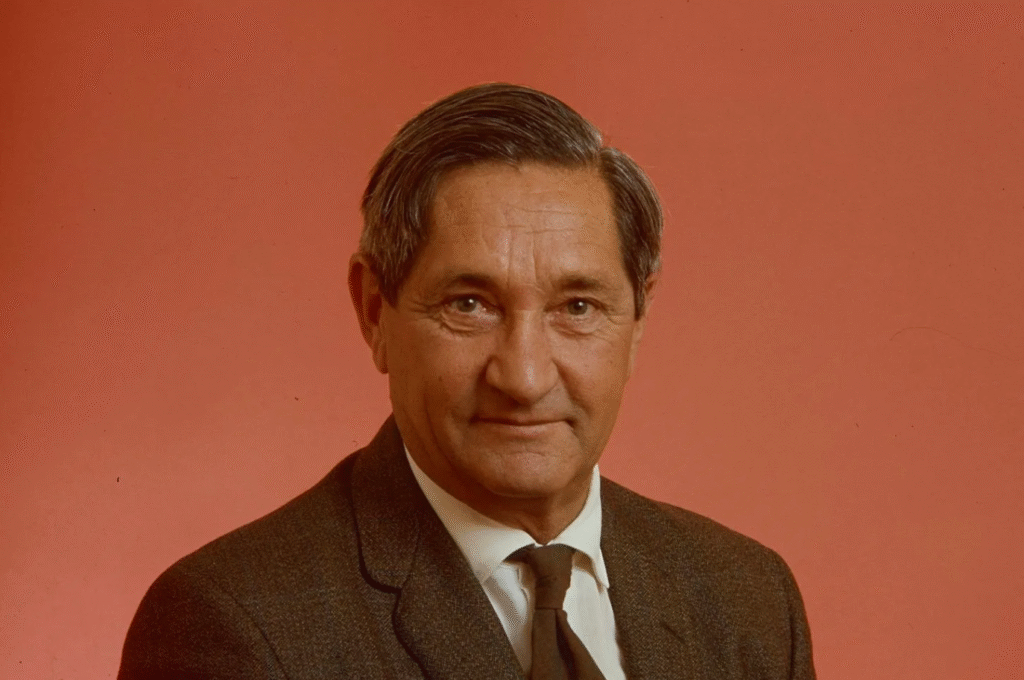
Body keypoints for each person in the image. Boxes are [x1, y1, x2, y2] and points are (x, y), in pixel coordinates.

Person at [119, 83, 816, 679]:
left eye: (578, 307)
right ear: (374, 311)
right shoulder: (234, 624)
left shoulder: (748, 599)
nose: (525, 377)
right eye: (470, 305)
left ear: (637, 320)